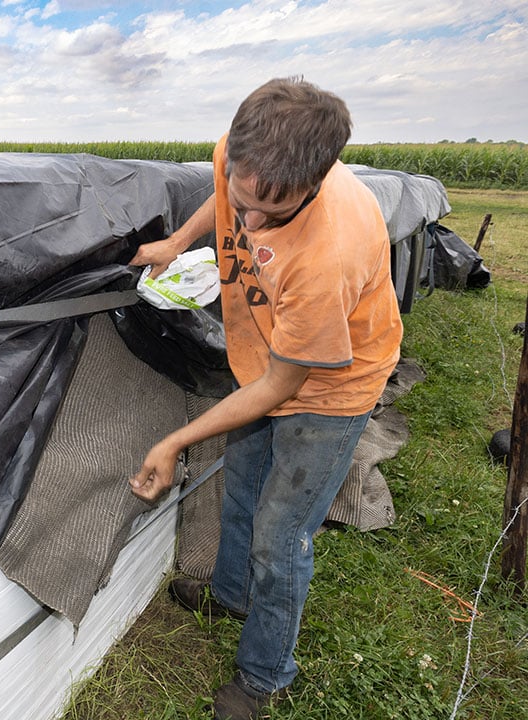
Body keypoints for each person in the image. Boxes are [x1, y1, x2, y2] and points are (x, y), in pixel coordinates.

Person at [127, 77, 403, 720]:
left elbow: (285, 388)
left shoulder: (330, 254)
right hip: (264, 355)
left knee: (281, 534)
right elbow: (224, 200)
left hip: (329, 387)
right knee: (244, 486)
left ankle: (264, 675)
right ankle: (231, 596)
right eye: (242, 200)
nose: (247, 225)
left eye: (272, 215)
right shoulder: (245, 152)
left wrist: (172, 442)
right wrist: (177, 242)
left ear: (317, 176)